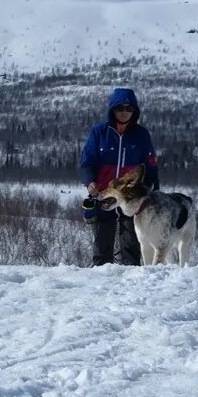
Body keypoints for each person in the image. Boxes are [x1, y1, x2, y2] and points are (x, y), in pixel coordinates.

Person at [80, 87, 157, 267]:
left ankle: (130, 280)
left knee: (131, 242)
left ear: (134, 111)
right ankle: (100, 277)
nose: (124, 113)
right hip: (104, 194)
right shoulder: (99, 132)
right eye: (120, 108)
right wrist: (90, 181)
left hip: (131, 198)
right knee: (101, 243)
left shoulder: (141, 134)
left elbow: (151, 165)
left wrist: (152, 190)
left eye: (129, 109)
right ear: (112, 110)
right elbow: (87, 162)